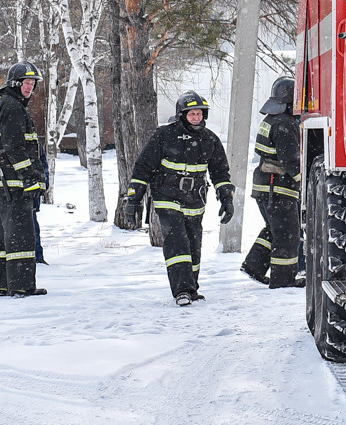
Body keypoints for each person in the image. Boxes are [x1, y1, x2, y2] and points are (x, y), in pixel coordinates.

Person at [123, 91, 235, 307]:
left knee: (193, 244)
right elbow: (143, 168)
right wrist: (133, 200)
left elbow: (221, 173)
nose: (196, 117)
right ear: (182, 115)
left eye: (199, 114)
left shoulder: (210, 139)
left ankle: (191, 288)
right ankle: (181, 290)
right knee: (177, 241)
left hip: (196, 199)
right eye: (192, 113)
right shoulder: (164, 135)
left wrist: (226, 200)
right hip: (167, 196)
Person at [0, 61, 48, 297]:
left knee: (4, 238)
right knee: (21, 237)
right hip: (14, 185)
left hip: (3, 183)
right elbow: (14, 148)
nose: (30, 88)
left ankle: (3, 284)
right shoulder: (12, 108)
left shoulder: (4, 104)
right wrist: (30, 177)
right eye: (26, 83)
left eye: (32, 84)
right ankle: (21, 285)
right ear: (15, 83)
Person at [240, 77, 303, 289]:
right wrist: (302, 181)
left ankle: (254, 266)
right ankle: (283, 280)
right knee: (287, 234)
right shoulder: (285, 123)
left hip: (266, 186)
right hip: (278, 188)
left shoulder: (271, 119)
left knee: (274, 229)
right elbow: (291, 160)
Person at [0, 141, 47, 264]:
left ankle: (36, 258)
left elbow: (42, 163)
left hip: (28, 195)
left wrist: (42, 186)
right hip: (6, 196)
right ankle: (12, 262)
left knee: (32, 229)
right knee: (7, 232)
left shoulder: (32, 139)